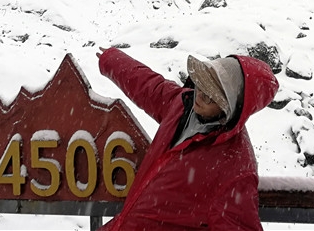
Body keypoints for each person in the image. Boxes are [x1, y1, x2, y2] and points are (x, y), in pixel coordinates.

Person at [97, 46, 278, 230]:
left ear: (230, 108)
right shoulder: (182, 104)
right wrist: (111, 59)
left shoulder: (235, 167)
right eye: (201, 84)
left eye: (210, 97)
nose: (200, 96)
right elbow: (147, 85)